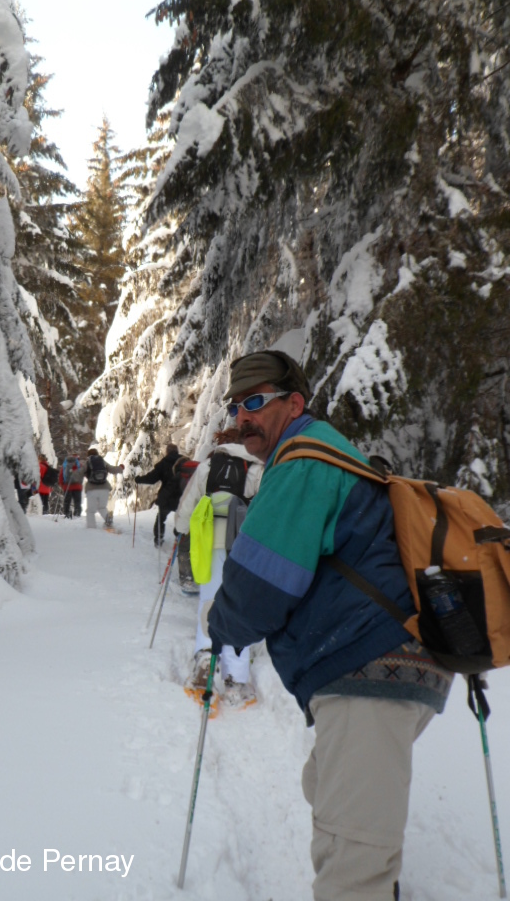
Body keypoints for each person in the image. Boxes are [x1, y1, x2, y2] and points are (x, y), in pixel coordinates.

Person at [207, 350, 453, 901]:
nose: (243, 417)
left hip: (371, 666)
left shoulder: (303, 462)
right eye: (236, 406)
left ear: (294, 404)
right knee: (324, 786)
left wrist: (219, 624)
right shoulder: (318, 453)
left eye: (255, 402)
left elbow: (259, 587)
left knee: (350, 862)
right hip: (389, 661)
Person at [174, 428, 262, 709]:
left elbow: (188, 504)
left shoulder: (208, 467)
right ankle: (236, 678)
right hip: (244, 545)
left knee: (210, 601)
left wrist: (180, 529)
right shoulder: (257, 468)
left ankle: (204, 658)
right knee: (240, 606)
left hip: (211, 542)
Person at [134, 442, 184, 546]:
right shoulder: (184, 463)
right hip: (183, 497)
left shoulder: (163, 463)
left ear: (167, 452)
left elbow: (152, 479)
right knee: (182, 517)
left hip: (167, 497)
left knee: (161, 518)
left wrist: (139, 479)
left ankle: (159, 538)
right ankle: (181, 536)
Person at [84, 445, 124, 530]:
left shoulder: (88, 462)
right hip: (104, 488)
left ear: (88, 455)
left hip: (92, 489)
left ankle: (91, 529)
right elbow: (112, 469)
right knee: (102, 507)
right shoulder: (102, 461)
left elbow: (81, 471)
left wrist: (73, 475)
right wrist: (120, 468)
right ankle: (108, 521)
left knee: (90, 511)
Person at [58, 454, 84, 518]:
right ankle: (77, 513)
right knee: (77, 501)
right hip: (77, 486)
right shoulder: (79, 465)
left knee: (67, 501)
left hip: (67, 486)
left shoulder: (65, 464)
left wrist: (62, 485)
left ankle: (67, 513)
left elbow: (61, 476)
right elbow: (82, 475)